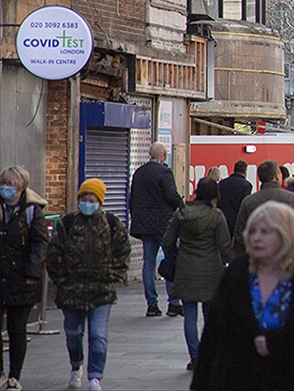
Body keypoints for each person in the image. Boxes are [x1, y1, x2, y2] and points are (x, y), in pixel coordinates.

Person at [191, 202, 294, 391]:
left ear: (284, 235)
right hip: (237, 378)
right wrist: (201, 382)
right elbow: (213, 332)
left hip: (290, 378)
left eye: (265, 232)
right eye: (252, 231)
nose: (256, 238)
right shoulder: (237, 273)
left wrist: (276, 345)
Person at [46, 179, 131, 391]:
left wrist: (113, 277)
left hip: (101, 292)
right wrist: (61, 280)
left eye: (92, 200)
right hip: (71, 291)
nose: (87, 203)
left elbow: (123, 252)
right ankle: (76, 366)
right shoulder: (68, 223)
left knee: (98, 335)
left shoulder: (111, 224)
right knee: (73, 334)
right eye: (84, 199)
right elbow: (54, 253)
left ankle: (95, 376)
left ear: (100, 201)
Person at [162, 178, 235, 370]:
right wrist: (237, 263)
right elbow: (224, 246)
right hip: (211, 270)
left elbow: (167, 241)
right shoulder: (217, 216)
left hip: (186, 269)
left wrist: (175, 255)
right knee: (211, 317)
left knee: (190, 317)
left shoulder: (181, 213)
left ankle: (195, 357)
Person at [0, 166, 49, 391]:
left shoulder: (32, 211)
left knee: (16, 329)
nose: (6, 188)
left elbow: (40, 243)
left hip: (22, 279)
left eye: (10, 184)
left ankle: (14, 376)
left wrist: (33, 273)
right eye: (3, 183)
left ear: (21, 187)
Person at [129, 142, 183, 317]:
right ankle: (173, 303)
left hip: (144, 225)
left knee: (148, 263)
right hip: (163, 224)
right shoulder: (164, 172)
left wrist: (136, 217)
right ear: (163, 155)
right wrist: (181, 205)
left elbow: (132, 198)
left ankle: (152, 304)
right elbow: (171, 196)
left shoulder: (139, 172)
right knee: (170, 260)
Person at [232, 161, 294, 266]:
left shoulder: (249, 202)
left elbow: (239, 237)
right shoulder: (291, 199)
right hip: (287, 261)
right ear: (277, 176)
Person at [217, 160, 252, 237]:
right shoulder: (246, 185)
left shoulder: (223, 183)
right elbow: (245, 203)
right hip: (237, 219)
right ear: (245, 171)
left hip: (223, 217)